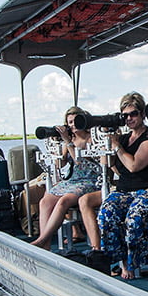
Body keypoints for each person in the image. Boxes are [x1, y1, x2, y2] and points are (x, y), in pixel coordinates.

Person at [97, 92, 148, 280]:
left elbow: (133, 165)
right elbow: (114, 167)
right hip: (126, 190)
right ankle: (124, 261)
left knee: (135, 215)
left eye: (134, 114)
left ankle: (140, 262)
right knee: (106, 213)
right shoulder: (122, 139)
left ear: (142, 114)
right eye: (125, 115)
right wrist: (106, 146)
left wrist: (116, 147)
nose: (129, 118)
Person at [30, 107, 103, 250]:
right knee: (45, 200)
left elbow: (80, 161)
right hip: (72, 181)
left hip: (91, 180)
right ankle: (45, 245)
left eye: (75, 121)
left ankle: (43, 239)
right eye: (69, 122)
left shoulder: (91, 138)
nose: (73, 125)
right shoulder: (70, 140)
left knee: (64, 201)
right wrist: (59, 147)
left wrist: (68, 142)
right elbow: (62, 165)